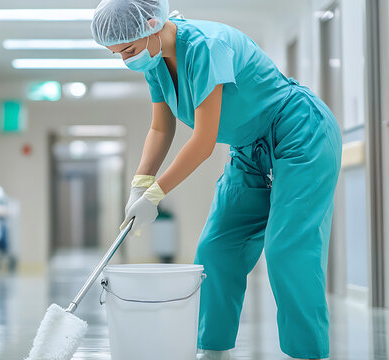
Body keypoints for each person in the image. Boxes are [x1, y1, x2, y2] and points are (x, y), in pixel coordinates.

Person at [91, 1, 342, 359]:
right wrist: (140, 182)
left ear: (151, 23)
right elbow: (161, 127)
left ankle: (306, 353)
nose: (125, 60)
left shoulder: (207, 46)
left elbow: (204, 142)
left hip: (299, 130)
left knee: (287, 248)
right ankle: (213, 350)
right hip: (247, 148)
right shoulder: (155, 59)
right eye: (116, 53)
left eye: (127, 50)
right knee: (215, 248)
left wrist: (157, 194)